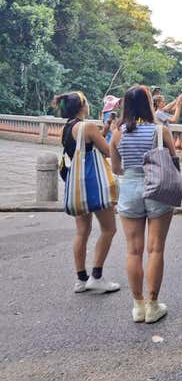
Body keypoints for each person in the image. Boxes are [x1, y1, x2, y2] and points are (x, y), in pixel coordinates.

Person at [110, 85, 177, 323]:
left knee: (133, 250)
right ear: (148, 104)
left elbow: (116, 168)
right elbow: (173, 161)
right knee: (156, 248)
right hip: (157, 187)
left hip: (129, 187)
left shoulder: (118, 133)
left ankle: (138, 306)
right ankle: (153, 304)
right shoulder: (160, 131)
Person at [52, 91, 120, 294]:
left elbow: (86, 145)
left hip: (77, 186)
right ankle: (97, 276)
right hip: (94, 185)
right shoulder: (87, 126)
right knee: (109, 229)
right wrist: (115, 132)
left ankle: (81, 279)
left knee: (82, 231)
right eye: (86, 102)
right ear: (82, 107)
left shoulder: (68, 127)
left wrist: (105, 129)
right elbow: (108, 151)